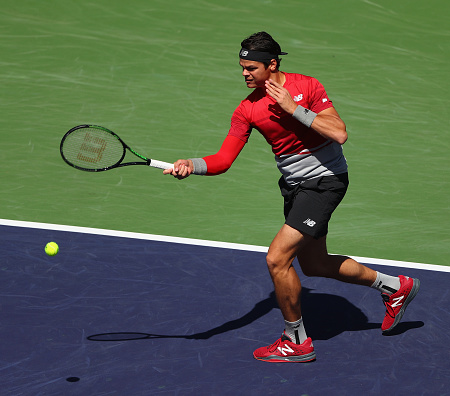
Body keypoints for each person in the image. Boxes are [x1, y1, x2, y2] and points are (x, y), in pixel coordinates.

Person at [164, 31, 420, 363]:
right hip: (296, 187)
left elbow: (339, 133)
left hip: (325, 182)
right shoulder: (247, 109)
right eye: (242, 67)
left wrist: (293, 108)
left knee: (277, 258)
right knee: (314, 265)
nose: (244, 73)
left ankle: (296, 341)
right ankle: (394, 287)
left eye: (251, 68)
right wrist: (191, 165)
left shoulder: (307, 87)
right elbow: (223, 160)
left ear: (272, 65)